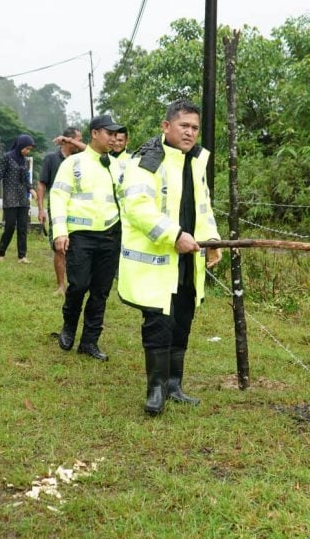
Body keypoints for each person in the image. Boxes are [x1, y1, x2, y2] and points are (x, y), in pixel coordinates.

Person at [117, 99, 222, 416]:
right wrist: (173, 235)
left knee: (182, 320)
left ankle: (175, 384)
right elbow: (137, 208)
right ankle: (156, 389)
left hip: (190, 259)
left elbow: (203, 207)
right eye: (183, 126)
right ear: (166, 127)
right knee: (158, 323)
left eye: (194, 127)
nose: (190, 133)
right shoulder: (148, 160)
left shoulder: (196, 162)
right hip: (157, 260)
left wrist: (213, 240)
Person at [49, 115, 124, 361]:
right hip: (80, 236)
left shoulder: (117, 166)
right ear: (94, 133)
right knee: (79, 285)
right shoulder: (73, 163)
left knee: (101, 291)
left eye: (116, 134)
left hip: (111, 235)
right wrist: (60, 231)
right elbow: (58, 196)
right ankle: (69, 327)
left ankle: (89, 341)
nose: (113, 138)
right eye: (109, 133)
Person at [36, 127, 84, 294]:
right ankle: (61, 285)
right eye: (78, 138)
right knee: (59, 247)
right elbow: (42, 184)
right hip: (57, 207)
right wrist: (41, 209)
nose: (80, 142)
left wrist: (71, 140)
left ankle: (77, 283)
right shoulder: (51, 159)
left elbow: (94, 151)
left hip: (78, 208)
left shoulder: (82, 158)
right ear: (67, 140)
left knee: (77, 246)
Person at [0, 134, 36, 263]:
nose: (27, 151)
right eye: (26, 148)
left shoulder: (24, 161)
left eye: (29, 149)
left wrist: (31, 189)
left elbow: (26, 178)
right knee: (10, 226)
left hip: (23, 198)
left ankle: (22, 256)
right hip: (10, 197)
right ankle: (0, 253)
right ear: (20, 145)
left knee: (23, 227)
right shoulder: (7, 157)